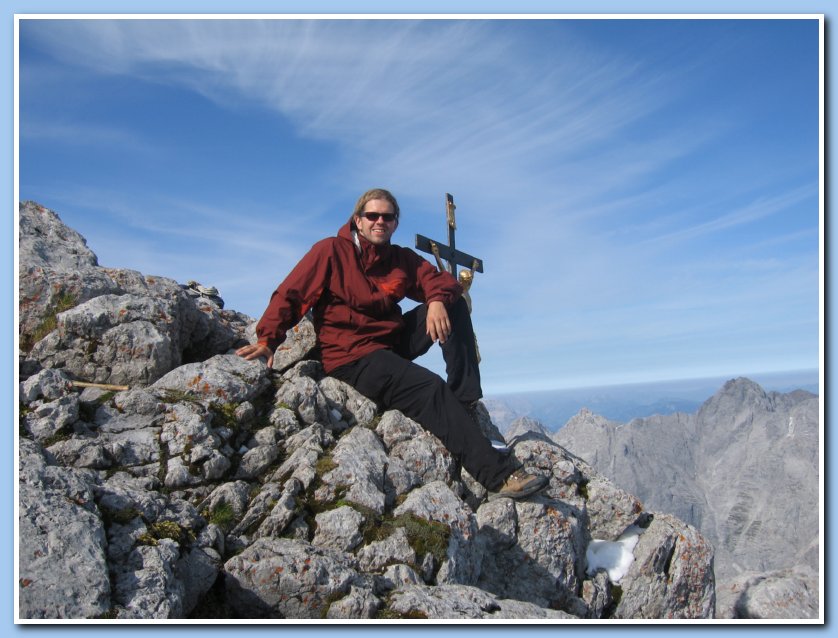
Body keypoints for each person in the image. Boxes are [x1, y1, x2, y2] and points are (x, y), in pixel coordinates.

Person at [236, 188, 547, 499]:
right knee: (430, 388)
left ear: (395, 223)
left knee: (454, 304)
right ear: (358, 220)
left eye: (387, 217)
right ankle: (497, 476)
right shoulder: (330, 251)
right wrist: (268, 339)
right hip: (353, 356)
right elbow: (293, 293)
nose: (379, 221)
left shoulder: (399, 259)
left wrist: (437, 299)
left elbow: (442, 282)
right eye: (372, 215)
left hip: (390, 342)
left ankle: (464, 402)